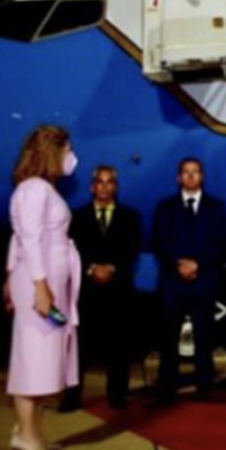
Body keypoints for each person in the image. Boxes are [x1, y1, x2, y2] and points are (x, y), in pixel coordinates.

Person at [4, 124, 81, 450]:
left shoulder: (43, 188)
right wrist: (40, 287)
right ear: (52, 151)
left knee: (46, 361)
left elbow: (18, 239)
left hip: (48, 286)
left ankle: (32, 434)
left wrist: (13, 275)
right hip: (41, 288)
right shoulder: (34, 188)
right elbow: (29, 238)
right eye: (67, 149)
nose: (71, 156)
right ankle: (26, 438)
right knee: (32, 362)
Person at [59, 165, 141, 412]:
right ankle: (72, 397)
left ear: (116, 186)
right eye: (100, 182)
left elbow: (132, 248)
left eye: (109, 182)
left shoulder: (130, 217)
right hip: (86, 291)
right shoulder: (77, 217)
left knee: (118, 345)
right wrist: (91, 269)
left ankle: (117, 395)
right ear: (92, 186)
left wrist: (112, 268)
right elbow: (71, 249)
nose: (104, 187)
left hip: (118, 290)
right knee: (79, 347)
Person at [151, 158, 226, 406]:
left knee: (204, 334)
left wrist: (198, 265)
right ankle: (167, 387)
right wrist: (180, 264)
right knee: (169, 336)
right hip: (173, 282)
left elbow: (221, 243)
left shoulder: (217, 207)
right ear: (178, 178)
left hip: (204, 280)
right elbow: (160, 241)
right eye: (186, 172)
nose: (191, 176)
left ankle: (205, 384)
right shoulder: (165, 207)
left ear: (202, 176)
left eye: (195, 172)